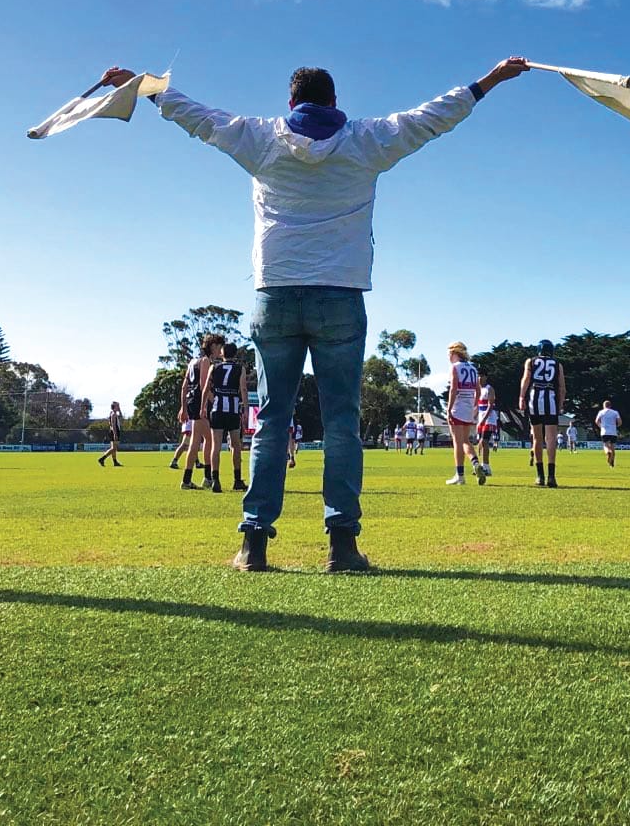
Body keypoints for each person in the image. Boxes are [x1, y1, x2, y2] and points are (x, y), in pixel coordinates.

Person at [100, 56, 530, 572]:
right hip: (341, 296)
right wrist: (488, 82)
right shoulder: (367, 139)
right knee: (343, 421)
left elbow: (197, 117)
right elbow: (432, 117)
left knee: (273, 421)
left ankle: (253, 543)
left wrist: (143, 87)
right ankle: (342, 545)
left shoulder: (260, 137)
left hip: (275, 294)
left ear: (290, 102)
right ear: (334, 101)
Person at [206, 342, 250, 493]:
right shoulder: (240, 369)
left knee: (216, 446)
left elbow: (206, 389)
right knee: (235, 445)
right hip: (232, 410)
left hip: (217, 410)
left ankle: (215, 480)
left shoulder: (214, 367)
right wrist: (246, 409)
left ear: (222, 353)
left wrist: (204, 406)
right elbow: (243, 389)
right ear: (235, 354)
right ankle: (237, 480)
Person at [521, 339, 566, 488]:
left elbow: (526, 379)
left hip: (535, 401)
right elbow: (561, 387)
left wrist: (521, 397)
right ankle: (551, 476)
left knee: (537, 438)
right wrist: (560, 405)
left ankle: (540, 475)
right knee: (551, 439)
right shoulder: (557, 364)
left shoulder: (531, 362)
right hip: (551, 401)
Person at [178, 335, 219, 490]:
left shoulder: (192, 361)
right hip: (200, 402)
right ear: (213, 346)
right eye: (219, 347)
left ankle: (199, 478)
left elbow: (184, 386)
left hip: (191, 401)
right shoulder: (205, 361)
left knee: (203, 440)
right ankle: (194, 479)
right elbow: (204, 385)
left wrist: (183, 407)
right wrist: (214, 401)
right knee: (202, 441)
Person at [444, 342, 484, 486]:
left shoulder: (454, 368)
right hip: (468, 408)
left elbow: (453, 388)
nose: (448, 357)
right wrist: (474, 407)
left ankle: (459, 475)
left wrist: (449, 408)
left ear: (455, 353)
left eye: (449, 353)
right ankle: (475, 463)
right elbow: (478, 391)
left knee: (457, 442)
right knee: (466, 440)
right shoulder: (473, 368)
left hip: (457, 407)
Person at [475, 377, 499, 476]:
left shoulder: (489, 389)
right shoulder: (477, 389)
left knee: (484, 441)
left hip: (489, 419)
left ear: (485, 377)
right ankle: (481, 466)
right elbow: (477, 406)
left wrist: (484, 419)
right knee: (480, 442)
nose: (479, 378)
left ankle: (486, 467)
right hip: (481, 418)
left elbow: (490, 405)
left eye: (481, 375)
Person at [99, 401, 124, 468]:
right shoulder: (113, 414)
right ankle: (102, 459)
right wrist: (115, 434)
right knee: (114, 448)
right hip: (114, 431)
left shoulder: (113, 413)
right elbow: (113, 425)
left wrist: (120, 410)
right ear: (114, 407)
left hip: (115, 431)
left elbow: (121, 417)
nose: (118, 406)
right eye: (117, 406)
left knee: (114, 448)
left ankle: (115, 462)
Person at [595, 400, 620, 467]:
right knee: (612, 447)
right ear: (610, 405)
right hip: (613, 432)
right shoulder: (615, 412)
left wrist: (601, 426)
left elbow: (597, 421)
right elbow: (620, 422)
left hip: (604, 431)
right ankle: (612, 463)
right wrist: (616, 426)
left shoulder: (601, 412)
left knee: (605, 445)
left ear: (604, 406)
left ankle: (608, 452)